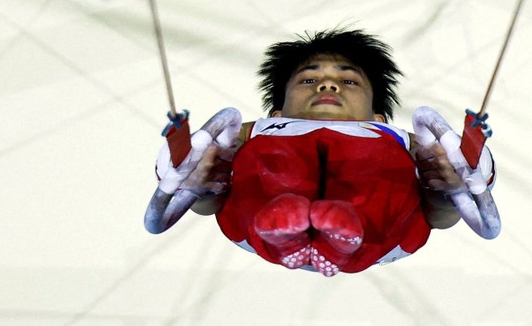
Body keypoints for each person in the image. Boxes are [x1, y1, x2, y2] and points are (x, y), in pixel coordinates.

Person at [147, 28, 498, 276]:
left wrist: (446, 187)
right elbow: (210, 204)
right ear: (277, 113)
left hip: (376, 234)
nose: (327, 84)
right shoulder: (259, 132)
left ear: (378, 116)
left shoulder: (391, 137)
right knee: (265, 154)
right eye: (308, 80)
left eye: (348, 81)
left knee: (384, 160)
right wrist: (203, 179)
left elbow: (438, 217)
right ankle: (292, 229)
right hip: (261, 220)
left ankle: (341, 227)